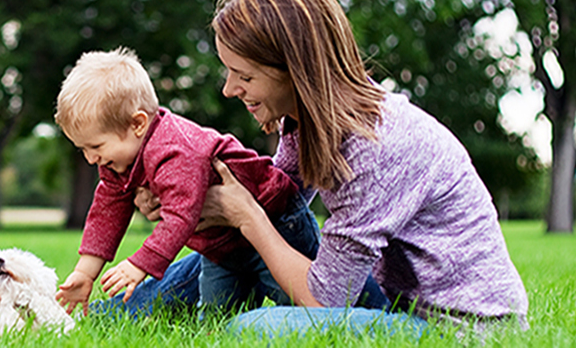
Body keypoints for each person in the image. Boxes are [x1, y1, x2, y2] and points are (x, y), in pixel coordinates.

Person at [198, 0, 529, 337]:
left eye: (244, 76)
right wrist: (191, 199)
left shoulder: (373, 146)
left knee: (250, 329)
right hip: (393, 302)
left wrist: (247, 217)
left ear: (295, 71)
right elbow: (276, 203)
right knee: (248, 227)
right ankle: (128, 306)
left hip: (453, 329)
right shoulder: (307, 119)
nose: (229, 89)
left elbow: (325, 300)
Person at [52, 48, 360, 315]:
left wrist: (140, 264)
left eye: (95, 147)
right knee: (214, 319)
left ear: (137, 124)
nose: (90, 159)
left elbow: (180, 217)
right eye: (83, 150)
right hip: (220, 246)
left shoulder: (174, 149)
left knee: (304, 309)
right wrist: (85, 273)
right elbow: (107, 209)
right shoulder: (120, 160)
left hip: (277, 223)